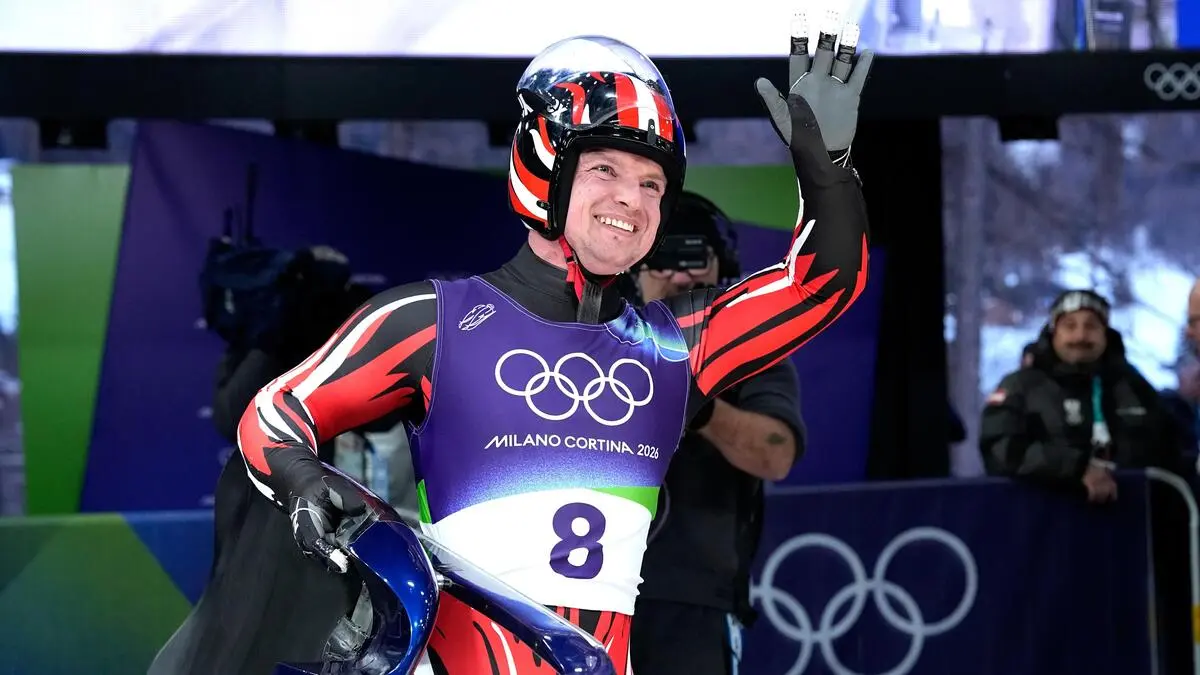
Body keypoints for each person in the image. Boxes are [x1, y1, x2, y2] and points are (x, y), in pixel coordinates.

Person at [151, 28, 873, 675]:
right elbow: (274, 415)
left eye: (652, 182)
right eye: (605, 170)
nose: (633, 198)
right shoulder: (432, 321)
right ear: (543, 164)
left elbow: (821, 283)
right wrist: (312, 486)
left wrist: (830, 171)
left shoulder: (675, 346)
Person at [627, 192, 804, 675]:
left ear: (721, 266)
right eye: (664, 258)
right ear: (635, 269)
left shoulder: (754, 353)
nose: (681, 276)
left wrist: (697, 406)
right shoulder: (593, 340)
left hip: (695, 602)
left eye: (694, 257)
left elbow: (777, 455)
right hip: (585, 593)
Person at [980, 289, 1182, 502]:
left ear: (1105, 333)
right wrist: (1076, 468)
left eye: (1091, 326)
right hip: (1040, 516)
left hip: (1128, 515)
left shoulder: (1134, 387)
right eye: (1070, 326)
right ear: (1054, 332)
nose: (1080, 336)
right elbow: (1000, 450)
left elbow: (1170, 452)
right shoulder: (1020, 387)